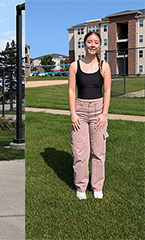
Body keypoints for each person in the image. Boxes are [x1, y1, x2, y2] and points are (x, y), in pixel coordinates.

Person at [68, 31, 111, 200]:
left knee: (98, 152)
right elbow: (72, 91)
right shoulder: (74, 66)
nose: (92, 45)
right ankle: (81, 186)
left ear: (99, 45)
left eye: (96, 42)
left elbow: (107, 91)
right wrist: (73, 113)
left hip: (98, 110)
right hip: (80, 110)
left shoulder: (104, 66)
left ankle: (97, 186)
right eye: (89, 42)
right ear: (84, 44)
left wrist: (104, 114)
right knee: (80, 152)